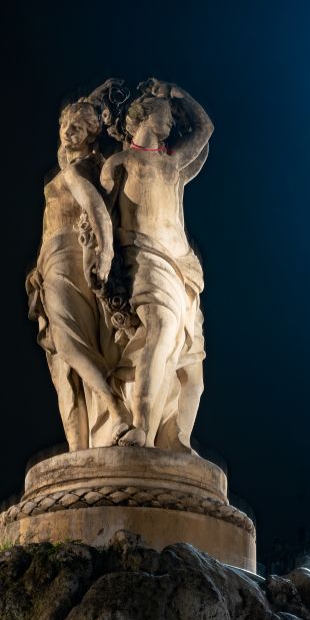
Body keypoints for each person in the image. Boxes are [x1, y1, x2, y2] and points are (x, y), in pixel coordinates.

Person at [100, 79, 213, 450]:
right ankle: (141, 430)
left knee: (192, 373)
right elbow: (98, 218)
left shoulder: (172, 164)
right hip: (145, 258)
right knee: (161, 329)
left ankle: (177, 441)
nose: (169, 122)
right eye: (163, 114)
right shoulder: (120, 163)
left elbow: (205, 127)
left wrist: (177, 92)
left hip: (184, 268)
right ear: (142, 118)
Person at [26, 91, 130, 451]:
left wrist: (105, 253)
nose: (68, 131)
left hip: (66, 256)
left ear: (91, 133)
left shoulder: (76, 171)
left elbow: (96, 210)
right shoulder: (76, 163)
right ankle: (89, 436)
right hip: (53, 261)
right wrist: (96, 101)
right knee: (67, 356)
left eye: (78, 126)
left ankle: (116, 409)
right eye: (65, 125)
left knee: (69, 344)